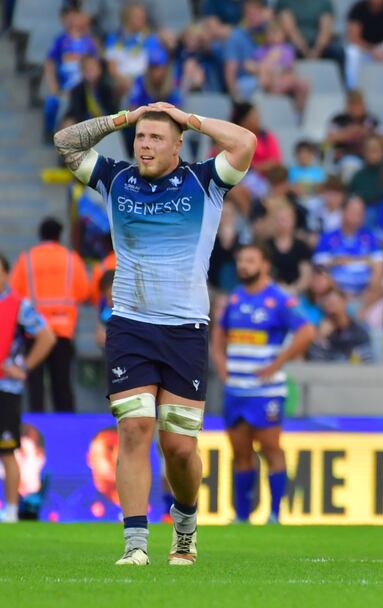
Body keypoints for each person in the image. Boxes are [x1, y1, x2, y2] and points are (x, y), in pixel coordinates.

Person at [53, 101, 256, 565]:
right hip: (130, 324)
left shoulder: (205, 182)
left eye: (156, 138)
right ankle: (136, 544)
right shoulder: (116, 179)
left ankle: (185, 526)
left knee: (180, 448)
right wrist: (122, 118)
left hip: (185, 331)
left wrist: (188, 117)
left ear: (177, 145)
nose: (145, 145)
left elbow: (246, 143)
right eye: (141, 137)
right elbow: (65, 143)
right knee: (135, 428)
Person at [211, 244, 315, 524]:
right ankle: (242, 516)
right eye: (241, 260)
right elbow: (218, 335)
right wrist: (222, 367)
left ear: (265, 265)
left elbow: (306, 331)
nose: (244, 265)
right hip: (237, 390)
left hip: (266, 391)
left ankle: (275, 513)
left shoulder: (278, 299)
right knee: (240, 452)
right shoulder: (234, 299)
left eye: (250, 260)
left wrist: (277, 364)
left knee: (271, 449)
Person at [10, 217, 89, 413]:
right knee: (62, 385)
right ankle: (66, 430)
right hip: (62, 332)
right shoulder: (72, 259)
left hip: (34, 333)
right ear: (59, 235)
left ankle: (36, 430)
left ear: (40, 235)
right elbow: (83, 292)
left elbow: (14, 293)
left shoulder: (26, 259)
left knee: (34, 384)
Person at [0, 254, 56, 523]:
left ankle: (10, 510)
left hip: (6, 386)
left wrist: (23, 366)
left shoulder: (19, 306)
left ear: (6, 274)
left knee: (7, 449)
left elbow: (47, 336)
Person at [312, 195, 383, 304]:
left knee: (382, 288)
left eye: (361, 212)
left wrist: (338, 261)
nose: (359, 215)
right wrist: (341, 294)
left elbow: (379, 269)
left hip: (366, 295)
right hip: (335, 293)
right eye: (354, 211)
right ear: (343, 211)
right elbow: (321, 270)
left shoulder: (371, 238)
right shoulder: (328, 238)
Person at [43, 3, 98, 134]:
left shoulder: (89, 41)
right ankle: (51, 133)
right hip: (65, 88)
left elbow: (95, 65)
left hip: (84, 88)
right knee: (51, 103)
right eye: (69, 17)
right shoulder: (60, 41)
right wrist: (54, 87)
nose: (73, 21)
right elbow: (49, 63)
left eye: (76, 16)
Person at [104, 2, 166, 97]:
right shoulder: (114, 38)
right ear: (127, 18)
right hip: (121, 83)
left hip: (145, 83)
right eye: (138, 17)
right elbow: (112, 68)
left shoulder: (150, 38)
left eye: (143, 17)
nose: (142, 20)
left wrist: (138, 82)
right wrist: (124, 81)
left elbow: (155, 66)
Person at [306, 287, 375, 362]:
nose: (331, 309)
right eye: (327, 305)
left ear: (344, 302)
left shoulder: (359, 330)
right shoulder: (319, 331)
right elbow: (315, 362)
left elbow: (367, 360)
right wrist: (320, 337)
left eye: (333, 303)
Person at [224, 0, 273, 101]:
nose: (253, 16)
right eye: (250, 13)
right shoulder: (236, 36)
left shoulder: (267, 32)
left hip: (265, 77)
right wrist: (235, 99)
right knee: (267, 80)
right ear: (245, 14)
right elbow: (230, 71)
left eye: (257, 13)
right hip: (244, 83)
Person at [264, 203, 313, 295]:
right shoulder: (267, 245)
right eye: (279, 219)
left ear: (293, 221)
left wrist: (293, 289)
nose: (282, 223)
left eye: (286, 219)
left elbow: (306, 275)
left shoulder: (301, 246)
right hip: (270, 291)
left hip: (296, 292)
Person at [276, 0, 342, 64]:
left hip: (319, 46)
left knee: (338, 51)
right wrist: (305, 51)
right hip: (294, 43)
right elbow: (290, 29)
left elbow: (325, 29)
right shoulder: (285, 2)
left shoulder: (324, 2)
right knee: (286, 51)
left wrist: (317, 50)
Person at [326, 90, 380, 162]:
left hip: (368, 158)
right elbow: (328, 139)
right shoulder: (338, 120)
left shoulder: (372, 120)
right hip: (344, 158)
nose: (355, 108)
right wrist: (348, 133)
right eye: (352, 104)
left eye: (358, 104)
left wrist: (364, 133)